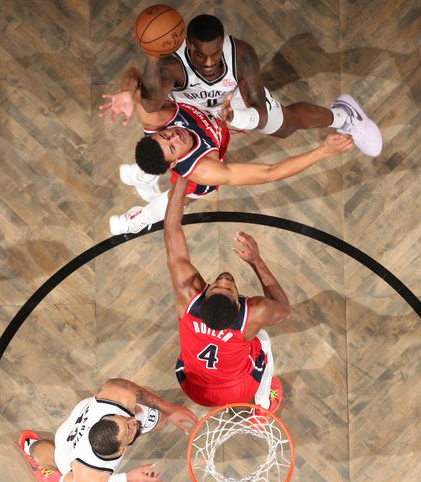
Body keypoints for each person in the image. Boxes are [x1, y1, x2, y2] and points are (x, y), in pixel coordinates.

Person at [104, 13, 382, 204]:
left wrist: (239, 116)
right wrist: (324, 151)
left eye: (215, 53)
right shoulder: (170, 70)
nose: (210, 63)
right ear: (188, 46)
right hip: (199, 111)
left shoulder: (241, 54)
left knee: (282, 126)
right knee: (191, 189)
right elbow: (268, 173)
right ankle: (145, 192)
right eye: (201, 55)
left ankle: (345, 114)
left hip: (234, 98)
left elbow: (258, 104)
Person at [99, 68, 354, 234]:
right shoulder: (205, 170)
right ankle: (140, 218)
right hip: (206, 148)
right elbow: (269, 172)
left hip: (209, 113)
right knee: (182, 198)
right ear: (174, 162)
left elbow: (133, 72)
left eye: (166, 136)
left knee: (255, 99)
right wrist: (323, 151)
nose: (175, 136)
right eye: (174, 145)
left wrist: (128, 91)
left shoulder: (153, 116)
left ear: (156, 131)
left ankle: (143, 173)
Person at [164, 173, 290, 409]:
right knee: (262, 340)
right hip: (237, 390)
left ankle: (260, 400)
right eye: (229, 287)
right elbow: (283, 310)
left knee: (248, 341)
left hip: (192, 386)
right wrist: (256, 261)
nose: (224, 279)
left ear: (205, 292)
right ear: (241, 304)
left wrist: (183, 173)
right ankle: (263, 405)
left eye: (217, 285)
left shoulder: (188, 295)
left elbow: (171, 230)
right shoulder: (254, 314)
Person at [19, 377, 197, 482]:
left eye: (124, 418)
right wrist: (127, 479)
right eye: (128, 429)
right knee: (55, 458)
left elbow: (121, 386)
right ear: (122, 449)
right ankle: (31, 449)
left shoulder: (118, 400)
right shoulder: (90, 476)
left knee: (161, 420)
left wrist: (168, 407)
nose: (133, 421)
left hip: (76, 422)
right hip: (67, 450)